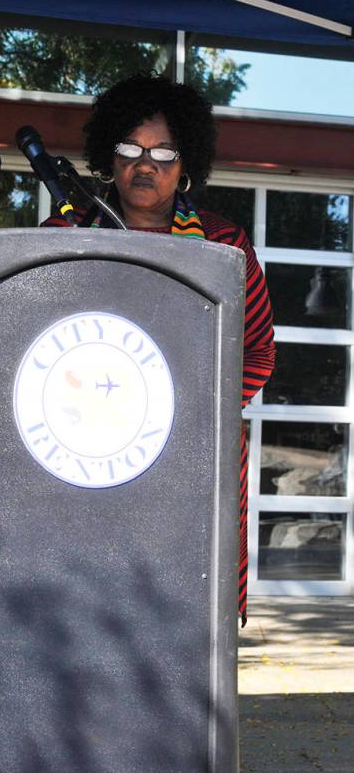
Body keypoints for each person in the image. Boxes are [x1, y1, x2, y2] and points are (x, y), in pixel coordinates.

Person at [43, 72, 275, 624]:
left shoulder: (225, 245)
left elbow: (259, 353)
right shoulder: (64, 233)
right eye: (130, 148)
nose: (145, 164)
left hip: (194, 448)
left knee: (189, 612)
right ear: (109, 157)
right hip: (89, 450)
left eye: (163, 151)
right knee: (91, 605)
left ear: (186, 161)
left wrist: (193, 405)